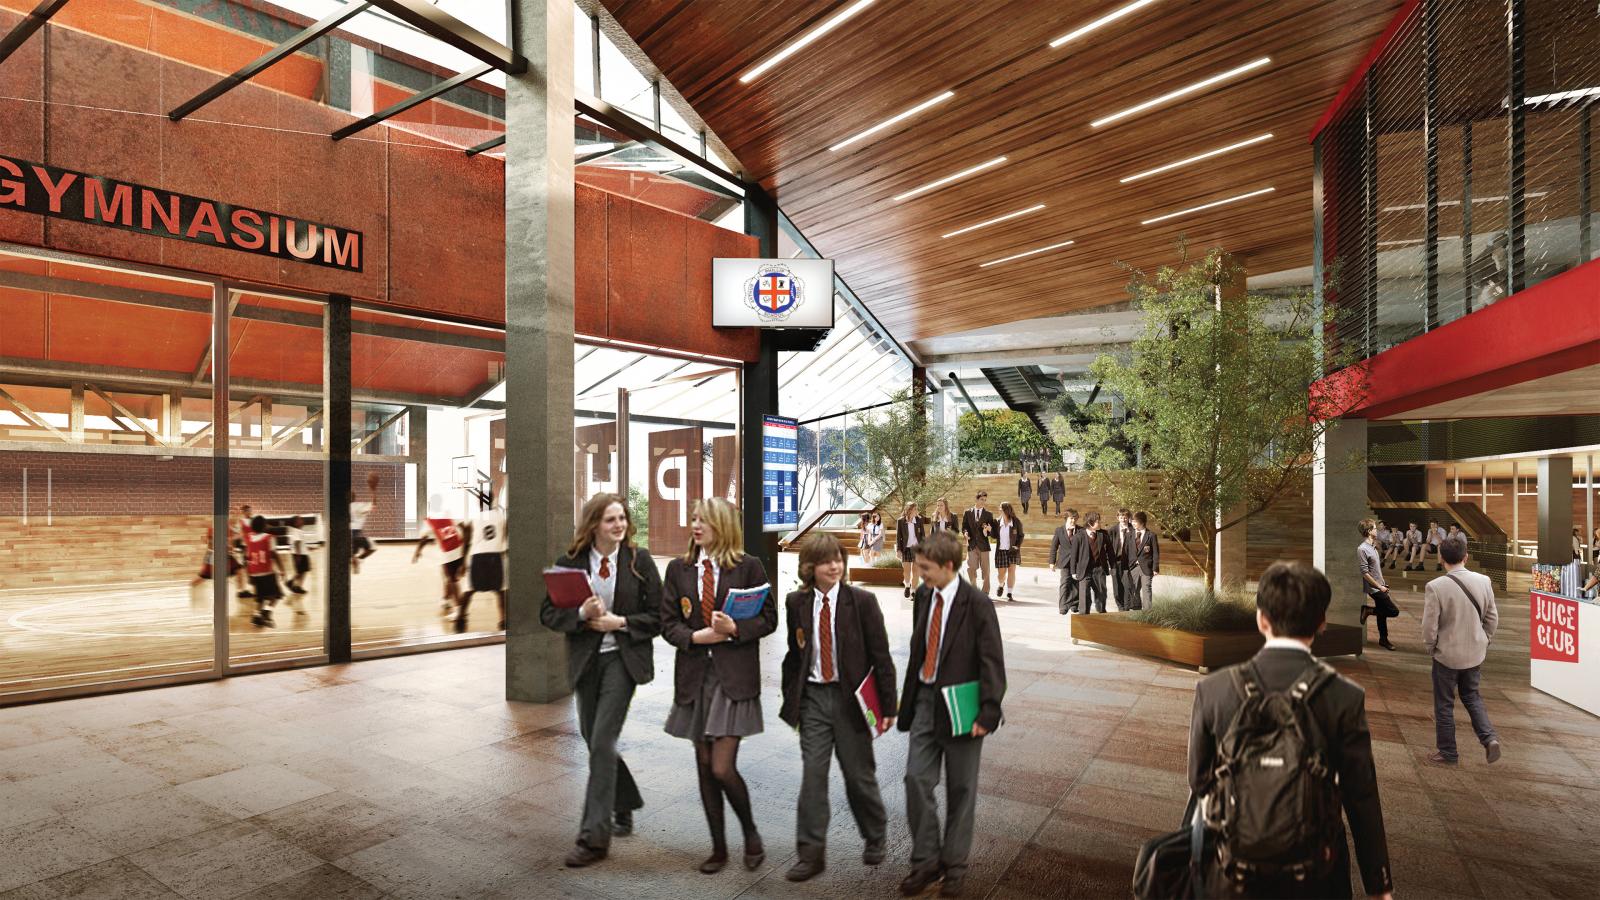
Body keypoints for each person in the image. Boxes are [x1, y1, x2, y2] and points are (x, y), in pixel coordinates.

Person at [1188, 562, 1393, 900]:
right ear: (1321, 623)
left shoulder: (1214, 690)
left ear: (1261, 619)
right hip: (1318, 874)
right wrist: (1379, 884)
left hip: (1233, 870)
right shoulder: (1344, 697)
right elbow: (1361, 797)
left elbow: (1199, 781)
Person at [542, 493, 662, 867]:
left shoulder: (639, 561)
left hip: (623, 662)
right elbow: (547, 613)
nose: (619, 525)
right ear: (594, 524)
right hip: (586, 662)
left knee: (603, 739)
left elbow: (658, 616)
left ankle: (593, 838)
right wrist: (580, 613)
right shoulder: (570, 563)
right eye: (611, 519)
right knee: (595, 739)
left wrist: (620, 622)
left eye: (622, 518)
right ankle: (623, 801)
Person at [660, 497, 776, 874]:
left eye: (704, 520)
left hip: (734, 679)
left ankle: (751, 833)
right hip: (695, 678)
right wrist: (696, 639)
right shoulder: (678, 569)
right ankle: (718, 849)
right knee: (704, 762)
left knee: (722, 767)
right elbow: (668, 623)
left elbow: (770, 618)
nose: (696, 525)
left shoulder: (749, 567)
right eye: (693, 519)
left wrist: (734, 630)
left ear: (722, 526)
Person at [780, 533, 898, 882]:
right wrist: (793, 696)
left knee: (858, 776)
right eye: (827, 560)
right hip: (814, 700)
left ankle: (875, 835)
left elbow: (881, 657)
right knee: (813, 777)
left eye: (839, 559)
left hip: (851, 702)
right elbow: (794, 653)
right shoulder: (795, 603)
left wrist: (888, 706)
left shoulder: (862, 602)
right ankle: (810, 854)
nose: (835, 565)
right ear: (809, 568)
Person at [898, 530, 1006, 898]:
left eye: (926, 568)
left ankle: (955, 866)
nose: (920, 574)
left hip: (962, 706)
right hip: (926, 703)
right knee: (916, 779)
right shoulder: (925, 595)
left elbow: (992, 660)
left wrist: (988, 712)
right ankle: (926, 861)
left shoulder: (977, 604)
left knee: (962, 790)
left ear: (947, 566)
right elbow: (918, 649)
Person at [1422, 536, 1501, 767]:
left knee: (1444, 704)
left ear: (1441, 558)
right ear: (1466, 557)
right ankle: (1489, 738)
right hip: (1475, 654)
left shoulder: (1436, 587)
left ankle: (1448, 753)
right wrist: (1484, 639)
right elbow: (1492, 617)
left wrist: (1431, 647)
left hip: (1446, 655)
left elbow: (1429, 625)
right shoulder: (1484, 581)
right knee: (1472, 696)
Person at [459, 500, 509, 633]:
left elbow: (466, 542)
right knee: (500, 590)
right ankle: (503, 620)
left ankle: (460, 617)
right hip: (495, 555)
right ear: (492, 501)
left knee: (469, 589)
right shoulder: (500, 516)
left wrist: (463, 563)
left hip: (478, 556)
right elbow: (507, 532)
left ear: (479, 504)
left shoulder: (474, 519)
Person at [412, 514, 467, 617]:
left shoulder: (430, 520)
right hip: (459, 548)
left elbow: (424, 538)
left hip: (448, 553)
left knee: (452, 580)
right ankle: (446, 599)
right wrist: (465, 543)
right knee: (449, 577)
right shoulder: (449, 514)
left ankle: (459, 609)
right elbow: (464, 527)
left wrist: (417, 551)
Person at [1357, 519, 1399, 652]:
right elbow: (1365, 573)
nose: (1377, 530)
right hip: (1373, 588)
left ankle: (1383, 639)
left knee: (1382, 614)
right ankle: (1368, 610)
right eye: (1374, 528)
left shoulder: (1373, 547)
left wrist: (1383, 582)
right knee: (1393, 611)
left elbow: (1376, 570)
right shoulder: (1362, 549)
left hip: (1380, 585)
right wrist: (1379, 587)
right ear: (1369, 531)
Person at [242, 515, 287, 628]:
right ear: (263, 526)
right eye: (266, 523)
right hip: (266, 572)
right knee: (276, 595)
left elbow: (247, 558)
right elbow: (274, 555)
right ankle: (266, 613)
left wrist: (248, 574)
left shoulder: (249, 538)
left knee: (260, 597)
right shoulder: (269, 538)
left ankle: (256, 617)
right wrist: (282, 569)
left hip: (254, 572)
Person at [1048, 508, 1087, 616]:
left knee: (1076, 584)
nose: (1073, 520)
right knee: (1065, 583)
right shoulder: (1059, 530)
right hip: (1064, 562)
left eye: (1075, 518)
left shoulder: (1081, 530)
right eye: (1071, 518)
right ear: (1066, 518)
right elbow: (1054, 547)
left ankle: (1074, 605)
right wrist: (1052, 562)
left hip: (1078, 562)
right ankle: (1063, 606)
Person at [960, 491, 997, 595]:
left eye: (985, 500)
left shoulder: (988, 514)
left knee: (985, 570)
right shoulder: (967, 513)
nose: (983, 502)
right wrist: (965, 533)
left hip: (984, 546)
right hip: (972, 545)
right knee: (970, 567)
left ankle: (985, 591)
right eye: (982, 499)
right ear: (976, 499)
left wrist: (988, 530)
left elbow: (993, 532)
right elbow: (964, 527)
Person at [1080, 511, 1112, 614]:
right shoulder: (1080, 535)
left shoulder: (1103, 534)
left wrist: (1111, 566)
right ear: (1090, 523)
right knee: (1084, 593)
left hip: (1099, 569)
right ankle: (1084, 614)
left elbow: (1110, 551)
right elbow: (1074, 554)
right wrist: (1074, 571)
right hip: (1085, 570)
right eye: (1098, 521)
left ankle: (1101, 611)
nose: (1100, 523)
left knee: (1101, 593)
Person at [992, 502, 1023, 601]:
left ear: (1006, 510)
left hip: (1012, 550)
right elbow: (993, 536)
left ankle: (1009, 593)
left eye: (1001, 508)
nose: (999, 509)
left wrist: (1017, 546)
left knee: (1011, 571)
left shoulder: (1016, 522)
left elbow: (1021, 535)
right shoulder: (996, 522)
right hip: (1001, 551)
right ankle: (1001, 585)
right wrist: (989, 530)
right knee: (1001, 574)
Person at [896, 501, 928, 599]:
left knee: (916, 571)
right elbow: (898, 537)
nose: (916, 511)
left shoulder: (919, 520)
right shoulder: (901, 521)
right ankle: (907, 586)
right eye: (915, 509)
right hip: (906, 549)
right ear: (909, 510)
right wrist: (898, 550)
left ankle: (914, 591)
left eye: (916, 509)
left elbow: (922, 535)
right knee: (906, 571)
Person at [1128, 511, 1158, 610]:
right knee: (1134, 589)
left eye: (1135, 521)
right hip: (1133, 567)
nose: (1133, 523)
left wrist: (1155, 568)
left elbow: (1155, 553)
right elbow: (1126, 551)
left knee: (1147, 589)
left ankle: (1147, 612)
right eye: (1132, 521)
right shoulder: (1129, 535)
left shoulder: (1151, 535)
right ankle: (1136, 609)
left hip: (1146, 567)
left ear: (1142, 522)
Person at [350, 474, 380, 573]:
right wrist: (373, 489)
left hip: (349, 533)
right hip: (357, 532)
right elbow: (374, 505)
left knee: (352, 552)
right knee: (372, 548)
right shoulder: (358, 506)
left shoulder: (347, 506)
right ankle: (358, 559)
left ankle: (355, 559)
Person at [1111, 508, 1134, 610]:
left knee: (1128, 584)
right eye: (1121, 517)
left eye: (1125, 517)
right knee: (1117, 585)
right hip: (1116, 562)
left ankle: (1127, 605)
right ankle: (1120, 606)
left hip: (1129, 562)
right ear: (1118, 518)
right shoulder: (1112, 530)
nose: (1123, 519)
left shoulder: (1134, 529)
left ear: (1128, 518)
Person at [283, 515, 311, 597]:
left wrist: (308, 547)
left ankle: (295, 585)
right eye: (299, 520)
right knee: (302, 571)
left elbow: (299, 543)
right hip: (300, 554)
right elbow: (296, 543)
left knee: (301, 571)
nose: (302, 521)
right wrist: (298, 555)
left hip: (301, 553)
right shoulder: (296, 531)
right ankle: (294, 584)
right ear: (295, 523)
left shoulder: (297, 530)